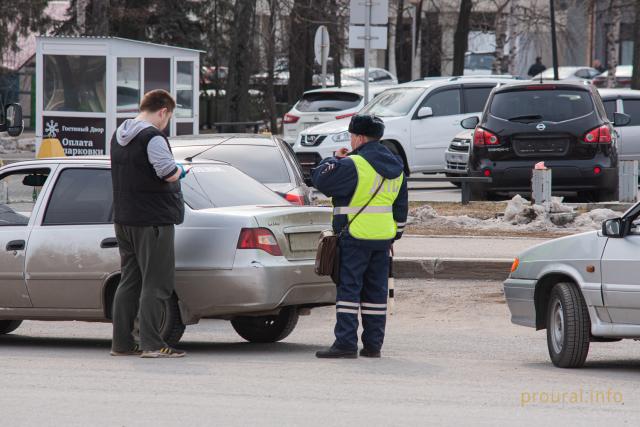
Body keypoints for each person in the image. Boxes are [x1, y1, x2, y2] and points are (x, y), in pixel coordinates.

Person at [312, 114, 408, 359]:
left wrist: (335, 159)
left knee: (349, 290)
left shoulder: (354, 163)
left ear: (359, 137)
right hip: (382, 239)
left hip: (354, 237)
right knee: (376, 293)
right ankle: (373, 346)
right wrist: (394, 236)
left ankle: (345, 343)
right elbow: (401, 207)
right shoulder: (396, 165)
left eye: (351, 136)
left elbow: (320, 179)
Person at [110, 89, 189, 358]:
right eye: (168, 117)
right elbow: (167, 173)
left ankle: (121, 343)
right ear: (163, 111)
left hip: (124, 218)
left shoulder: (119, 134)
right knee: (157, 283)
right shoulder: (153, 136)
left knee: (129, 281)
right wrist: (182, 170)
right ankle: (152, 344)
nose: (166, 123)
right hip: (153, 221)